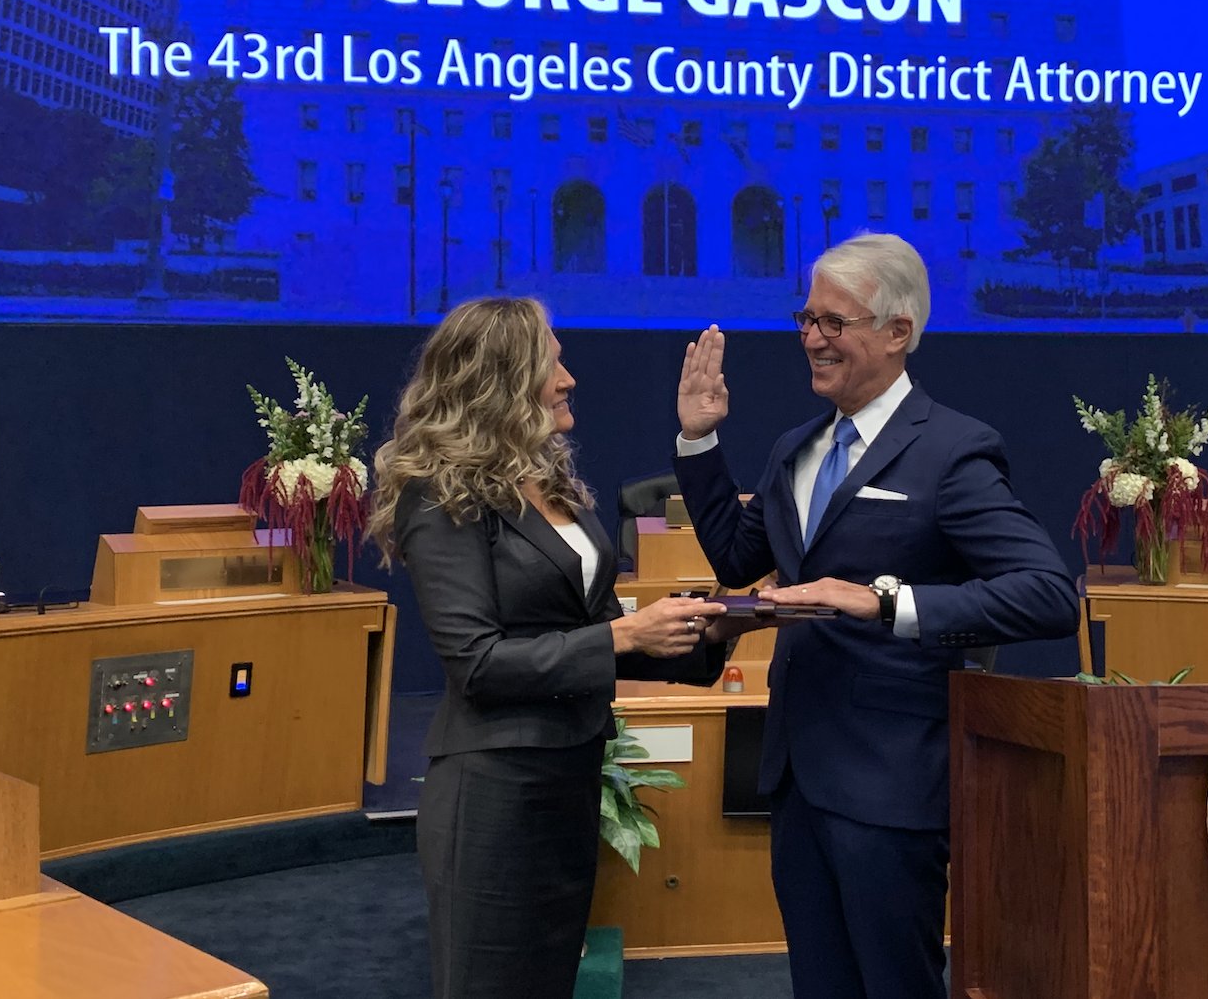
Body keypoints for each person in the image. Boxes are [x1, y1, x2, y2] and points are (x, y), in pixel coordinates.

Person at [671, 232, 1079, 999]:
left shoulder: (954, 451)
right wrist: (700, 439)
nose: (812, 339)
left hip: (892, 784)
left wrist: (887, 602)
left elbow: (1047, 593)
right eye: (806, 319)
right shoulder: (797, 447)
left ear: (899, 333)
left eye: (835, 323)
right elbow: (736, 558)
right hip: (796, 776)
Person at [368, 296, 727, 999]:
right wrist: (625, 631)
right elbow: (476, 663)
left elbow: (585, 634)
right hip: (496, 791)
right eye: (552, 363)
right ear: (500, 379)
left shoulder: (553, 484)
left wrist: (703, 633)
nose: (568, 379)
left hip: (566, 780)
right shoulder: (439, 496)